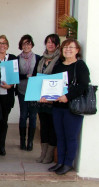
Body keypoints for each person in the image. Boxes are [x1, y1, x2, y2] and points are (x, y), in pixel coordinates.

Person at [48, 39, 90, 175]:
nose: (68, 49)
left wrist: (68, 96)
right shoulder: (59, 65)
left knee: (70, 136)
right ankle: (60, 162)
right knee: (60, 135)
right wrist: (46, 96)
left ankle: (68, 163)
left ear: (77, 50)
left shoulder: (80, 65)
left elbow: (83, 86)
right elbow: (52, 83)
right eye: (65, 47)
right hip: (57, 107)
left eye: (71, 47)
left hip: (72, 107)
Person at [35, 34, 61, 164]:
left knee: (52, 127)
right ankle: (43, 153)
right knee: (43, 127)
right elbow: (36, 76)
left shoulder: (59, 59)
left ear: (57, 45)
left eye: (53, 42)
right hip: (41, 100)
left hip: (53, 100)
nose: (50, 44)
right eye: (48, 42)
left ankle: (49, 155)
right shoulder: (41, 59)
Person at [17, 34, 40, 151]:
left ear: (32, 45)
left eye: (29, 43)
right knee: (23, 116)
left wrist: (33, 76)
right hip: (22, 90)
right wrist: (26, 75)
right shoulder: (17, 58)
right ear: (21, 45)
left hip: (34, 91)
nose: (26, 46)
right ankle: (22, 140)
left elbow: (40, 74)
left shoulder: (38, 58)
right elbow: (15, 75)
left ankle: (30, 142)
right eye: (24, 43)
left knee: (33, 117)